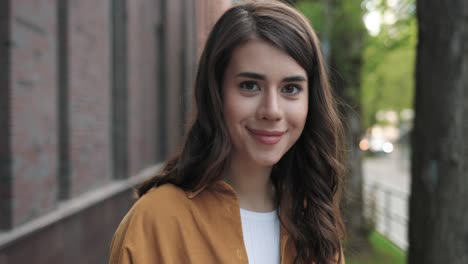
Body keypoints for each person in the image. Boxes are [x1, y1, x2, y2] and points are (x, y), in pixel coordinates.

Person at [109, 1, 346, 263]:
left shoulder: (315, 224)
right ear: (216, 94)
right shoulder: (155, 221)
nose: (272, 110)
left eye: (290, 89)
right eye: (250, 85)